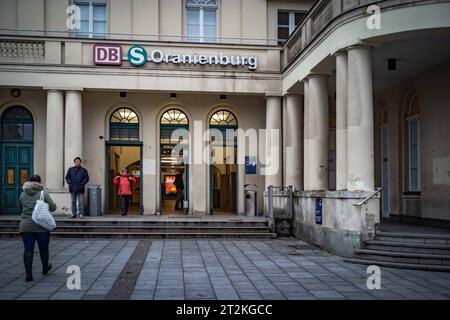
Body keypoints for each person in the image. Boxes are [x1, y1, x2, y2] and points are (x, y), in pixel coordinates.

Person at [19, 175, 57, 282]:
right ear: (40, 182)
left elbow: (20, 208)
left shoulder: (22, 194)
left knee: (28, 249)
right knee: (43, 249)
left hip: (26, 226)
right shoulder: (43, 193)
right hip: (42, 226)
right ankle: (45, 268)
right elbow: (53, 207)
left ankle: (28, 275)